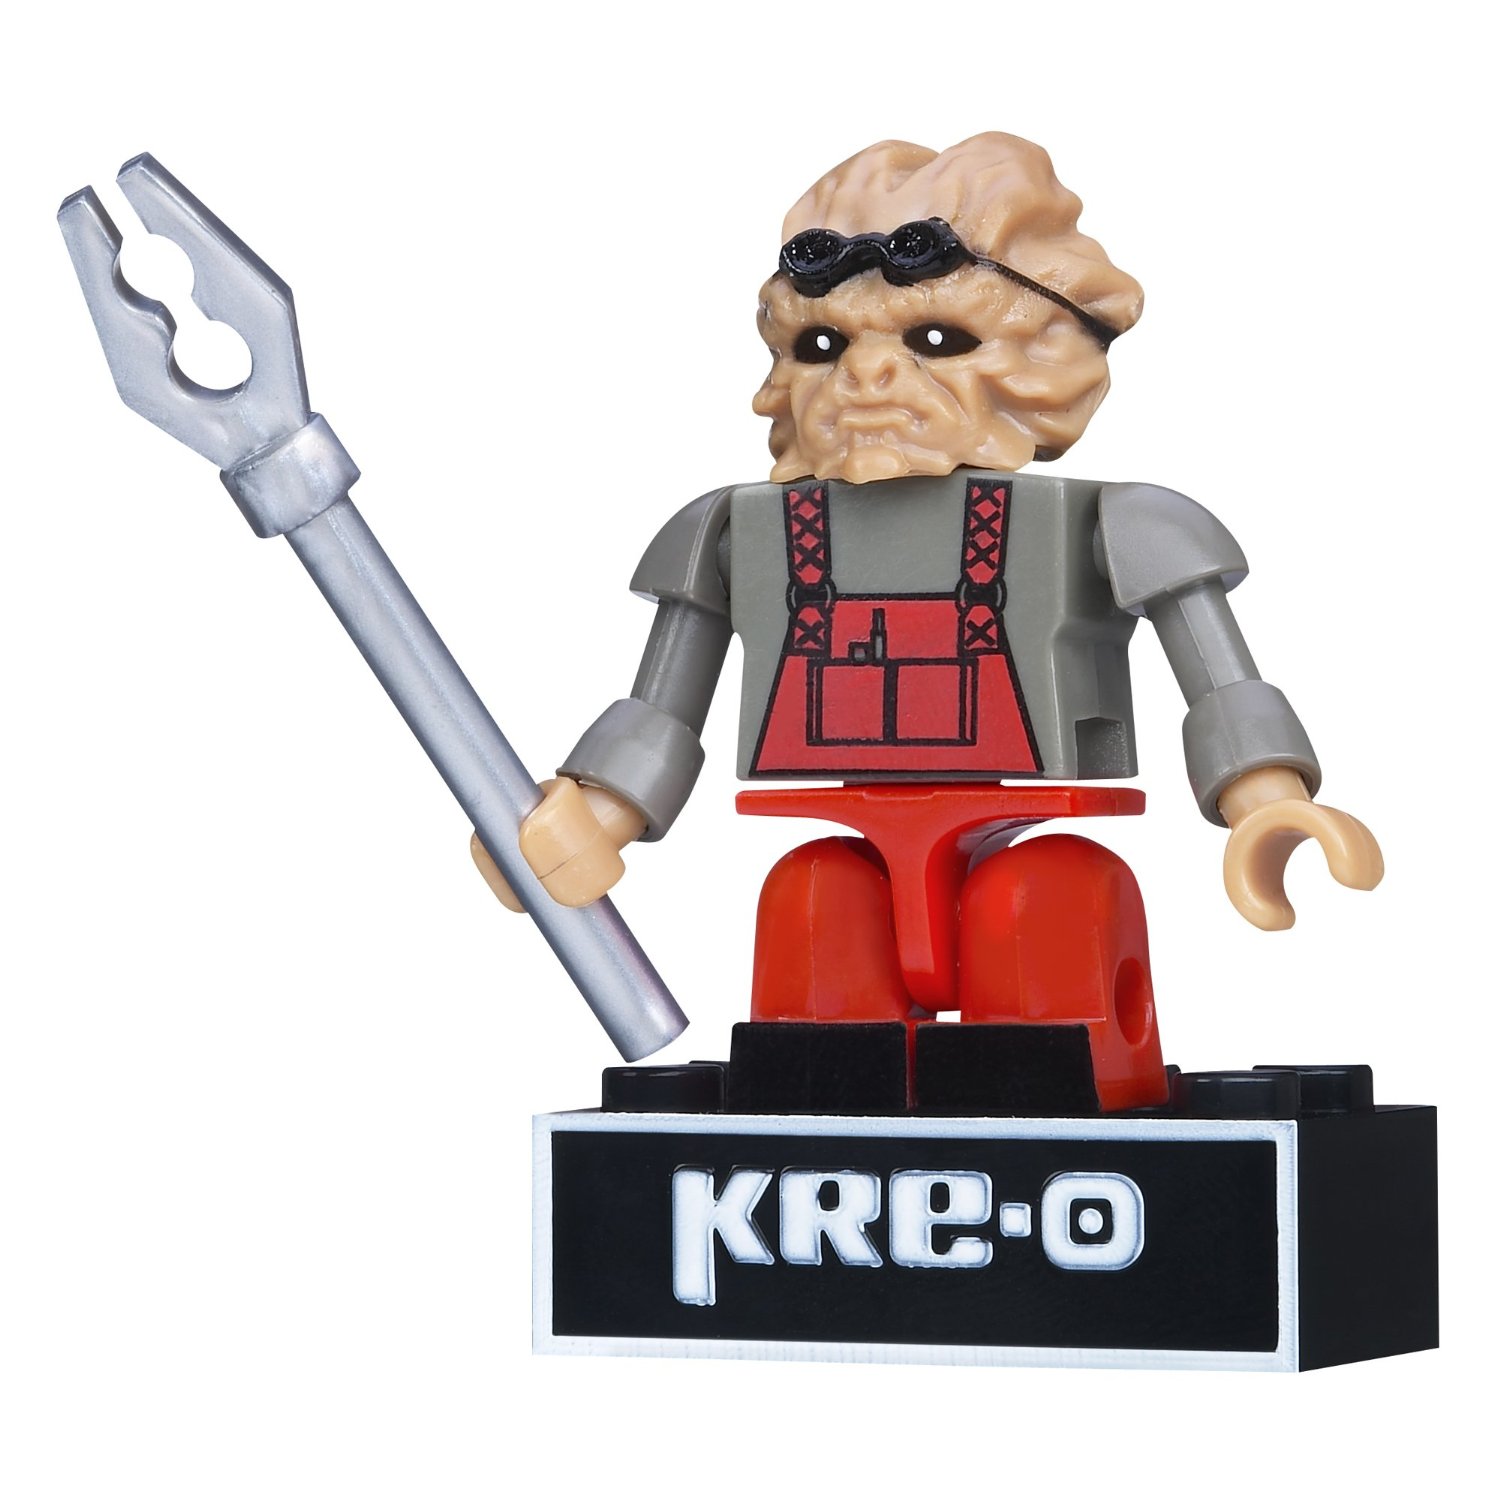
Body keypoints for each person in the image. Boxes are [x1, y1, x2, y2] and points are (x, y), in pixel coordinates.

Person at [474, 133, 1382, 1113]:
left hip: (1038, 855)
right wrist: (593, 816)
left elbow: (1219, 675)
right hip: (840, 846)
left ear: (1045, 358)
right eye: (825, 346)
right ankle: (812, 1145)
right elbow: (663, 703)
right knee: (815, 908)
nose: (866, 377)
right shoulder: (735, 532)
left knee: (1046, 908)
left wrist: (1265, 800)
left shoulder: (1113, 523)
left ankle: (1047, 1139)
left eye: (937, 340)